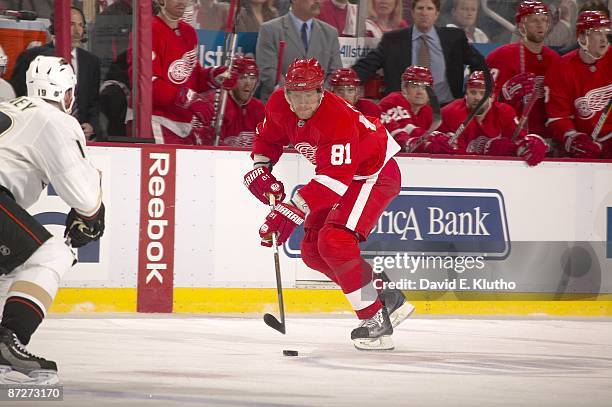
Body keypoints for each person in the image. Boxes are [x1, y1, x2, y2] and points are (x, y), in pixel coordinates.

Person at [243, 58, 415, 350]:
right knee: (312, 251)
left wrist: (289, 211)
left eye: (310, 94)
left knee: (334, 240)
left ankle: (375, 320)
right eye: (296, 95)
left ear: (321, 92)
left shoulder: (336, 117)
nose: (304, 102)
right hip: (345, 178)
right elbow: (267, 137)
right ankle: (385, 297)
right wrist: (262, 168)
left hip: (374, 174)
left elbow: (334, 180)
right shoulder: (277, 104)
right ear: (286, 93)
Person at [0, 56, 105, 384]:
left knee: (9, 270)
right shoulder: (54, 119)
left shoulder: (10, 107)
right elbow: (86, 199)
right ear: (68, 95)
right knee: (54, 253)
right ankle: (7, 345)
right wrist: (93, 217)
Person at [130, 0, 239, 144]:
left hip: (182, 124)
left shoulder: (188, 32)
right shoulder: (147, 30)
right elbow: (146, 82)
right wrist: (188, 98)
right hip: (153, 120)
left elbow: (193, 77)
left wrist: (215, 76)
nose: (182, 2)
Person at [352, 0, 486, 103]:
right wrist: (346, 82)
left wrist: (473, 92)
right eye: (420, 8)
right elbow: (367, 66)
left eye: (429, 8)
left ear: (436, 14)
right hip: (405, 109)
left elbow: (479, 64)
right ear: (412, 12)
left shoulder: (454, 38)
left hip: (445, 106)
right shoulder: (392, 40)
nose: (424, 13)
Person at [9, 6, 101, 139]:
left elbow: (94, 102)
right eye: (71, 24)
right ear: (55, 27)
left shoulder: (91, 61)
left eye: (81, 25)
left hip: (78, 137)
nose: (77, 31)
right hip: (41, 135)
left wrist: (92, 125)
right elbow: (18, 95)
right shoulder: (31, 57)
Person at [486, 1, 561, 147]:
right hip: (512, 140)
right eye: (534, 20)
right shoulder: (500, 56)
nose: (540, 25)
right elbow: (484, 104)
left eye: (544, 20)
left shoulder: (555, 60)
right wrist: (504, 95)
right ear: (521, 26)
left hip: (548, 142)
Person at [439, 71, 547, 165]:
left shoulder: (504, 112)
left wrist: (530, 145)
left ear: (492, 97)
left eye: (483, 93)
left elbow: (521, 142)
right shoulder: (451, 113)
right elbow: (456, 159)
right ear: (466, 94)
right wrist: (487, 150)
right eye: (473, 92)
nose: (477, 97)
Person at [544, 10, 611, 158]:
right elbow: (557, 116)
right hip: (587, 144)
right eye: (597, 33)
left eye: (606, 32)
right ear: (582, 37)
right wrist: (573, 138)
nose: (604, 39)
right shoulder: (561, 69)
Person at [255, 0, 343, 102]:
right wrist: (297, 96)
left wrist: (316, 97)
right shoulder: (270, 30)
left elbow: (335, 72)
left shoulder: (330, 33)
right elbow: (268, 71)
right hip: (280, 105)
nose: (318, 1)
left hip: (319, 105)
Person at [189, 56, 265, 146]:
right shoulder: (218, 104)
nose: (248, 83)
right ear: (232, 79)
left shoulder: (259, 108)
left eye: (252, 78)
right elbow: (207, 146)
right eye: (242, 77)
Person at [378, 65, 453, 154]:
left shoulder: (427, 111)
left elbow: (441, 135)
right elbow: (407, 130)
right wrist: (434, 139)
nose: (420, 92)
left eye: (425, 87)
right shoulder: (393, 101)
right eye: (414, 86)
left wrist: (448, 139)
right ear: (404, 88)